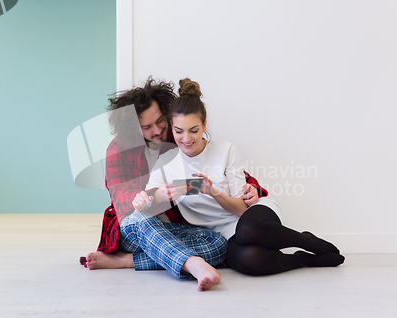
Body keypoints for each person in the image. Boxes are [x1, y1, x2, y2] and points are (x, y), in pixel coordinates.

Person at [135, 78, 345, 276]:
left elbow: (242, 209)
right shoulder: (165, 163)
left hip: (252, 217)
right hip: (221, 233)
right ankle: (303, 260)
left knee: (247, 230)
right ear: (172, 127)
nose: (186, 139)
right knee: (250, 261)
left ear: (204, 126)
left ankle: (305, 241)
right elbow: (148, 198)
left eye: (194, 130)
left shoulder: (226, 150)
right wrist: (150, 197)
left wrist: (214, 192)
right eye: (179, 131)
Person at [83, 78, 268, 289]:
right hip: (137, 226)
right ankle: (193, 263)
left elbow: (220, 168)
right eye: (146, 126)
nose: (157, 130)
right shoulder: (118, 149)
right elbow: (120, 199)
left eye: (160, 120)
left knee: (219, 244)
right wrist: (151, 197)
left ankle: (126, 261)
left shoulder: (178, 135)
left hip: (175, 227)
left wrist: (252, 187)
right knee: (139, 218)